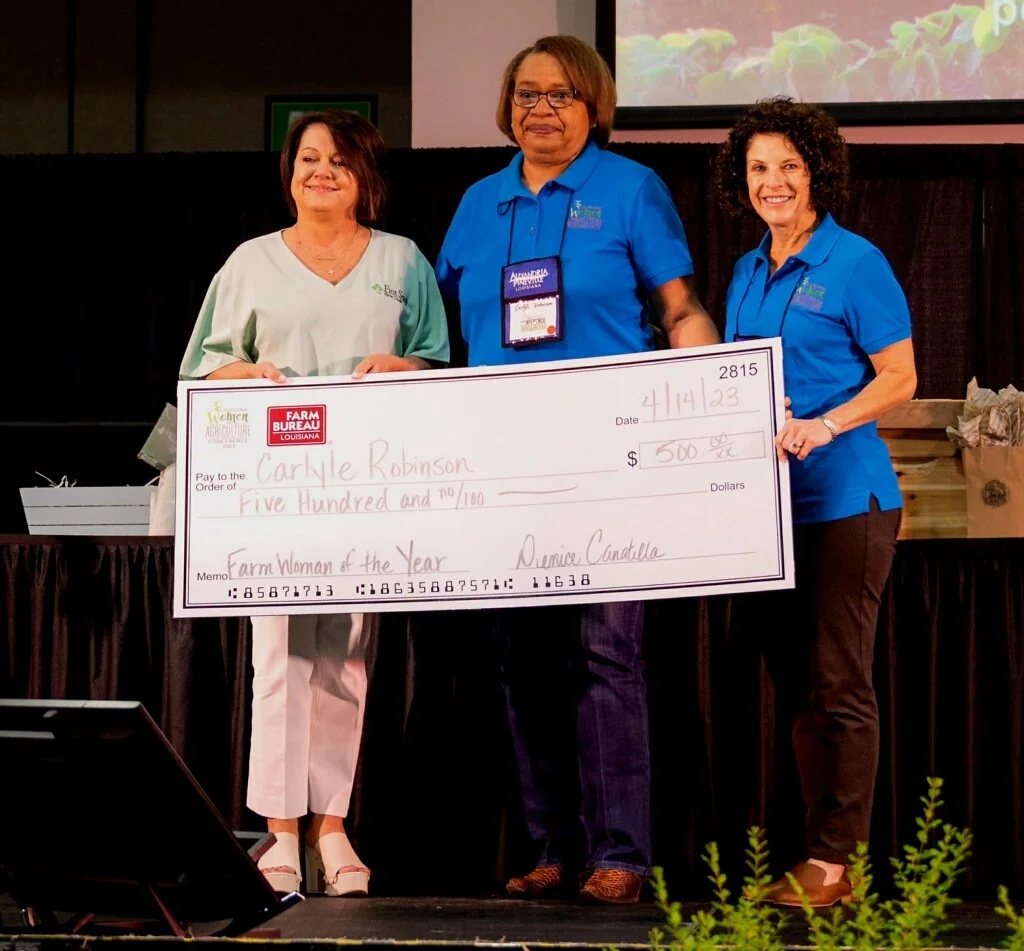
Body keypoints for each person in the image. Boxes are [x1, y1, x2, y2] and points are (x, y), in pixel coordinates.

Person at [435, 34, 719, 904]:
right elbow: (448, 334)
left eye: (559, 95)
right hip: (502, 466)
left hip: (607, 463)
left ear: (592, 105)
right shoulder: (478, 204)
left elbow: (679, 310)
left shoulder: (631, 190)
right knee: (526, 661)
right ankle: (554, 844)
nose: (540, 110)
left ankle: (622, 854)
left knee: (607, 655)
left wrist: (714, 396)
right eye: (525, 94)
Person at [179, 110, 449, 896]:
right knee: (279, 654)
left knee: (347, 654)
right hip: (276, 489)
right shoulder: (250, 264)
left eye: (338, 159)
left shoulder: (402, 261)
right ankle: (279, 833)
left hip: (368, 486)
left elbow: (436, 362)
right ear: (289, 172)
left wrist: (404, 368)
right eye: (307, 158)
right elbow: (201, 372)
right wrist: (242, 376)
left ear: (367, 175)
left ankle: (333, 823)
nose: (321, 171)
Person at [711, 96, 917, 907]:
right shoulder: (744, 269)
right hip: (771, 513)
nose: (774, 182)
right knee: (797, 686)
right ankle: (818, 858)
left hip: (847, 501)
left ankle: (838, 862)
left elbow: (900, 377)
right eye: (760, 168)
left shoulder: (854, 262)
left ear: (817, 171)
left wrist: (826, 424)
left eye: (790, 166)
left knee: (840, 681)